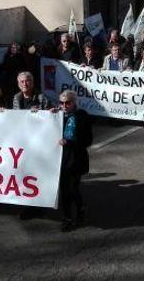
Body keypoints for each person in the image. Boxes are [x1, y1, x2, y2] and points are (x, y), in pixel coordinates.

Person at [56, 90, 93, 232]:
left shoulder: (82, 116)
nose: (64, 106)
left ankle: (80, 207)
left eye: (67, 103)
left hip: (76, 159)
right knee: (65, 190)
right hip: (61, 159)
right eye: (61, 102)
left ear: (74, 102)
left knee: (72, 189)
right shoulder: (56, 115)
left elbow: (88, 141)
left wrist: (70, 142)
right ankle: (67, 218)